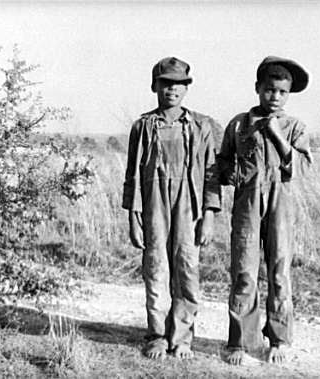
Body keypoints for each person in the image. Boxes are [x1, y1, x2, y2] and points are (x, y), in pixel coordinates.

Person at [122, 57, 222, 360]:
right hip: (153, 206)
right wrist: (133, 215)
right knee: (155, 269)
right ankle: (156, 336)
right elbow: (133, 175)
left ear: (186, 88)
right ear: (155, 86)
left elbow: (211, 175)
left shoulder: (201, 126)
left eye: (179, 84)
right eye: (165, 83)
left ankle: (182, 338)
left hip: (189, 207)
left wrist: (210, 216)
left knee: (187, 270)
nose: (172, 89)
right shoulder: (142, 126)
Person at [217, 56, 312, 365]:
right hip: (247, 204)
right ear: (258, 88)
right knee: (244, 271)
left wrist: (276, 134)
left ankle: (279, 340)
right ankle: (240, 343)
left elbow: (301, 167)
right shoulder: (239, 123)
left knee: (279, 272)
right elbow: (224, 162)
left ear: (289, 95)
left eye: (282, 92)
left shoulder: (294, 126)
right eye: (270, 90)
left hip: (281, 205)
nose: (275, 97)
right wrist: (229, 176)